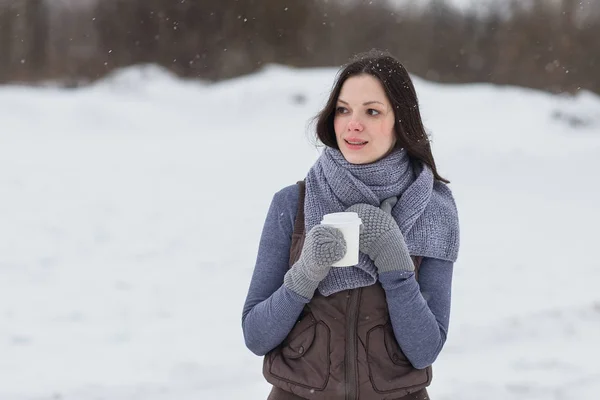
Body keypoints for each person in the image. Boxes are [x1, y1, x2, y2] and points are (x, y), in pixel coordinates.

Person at [242, 49, 460, 400]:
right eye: (343, 110)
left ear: (400, 121)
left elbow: (425, 349)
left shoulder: (433, 212)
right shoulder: (291, 205)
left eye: (372, 111)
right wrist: (304, 275)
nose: (352, 124)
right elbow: (256, 335)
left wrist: (395, 264)